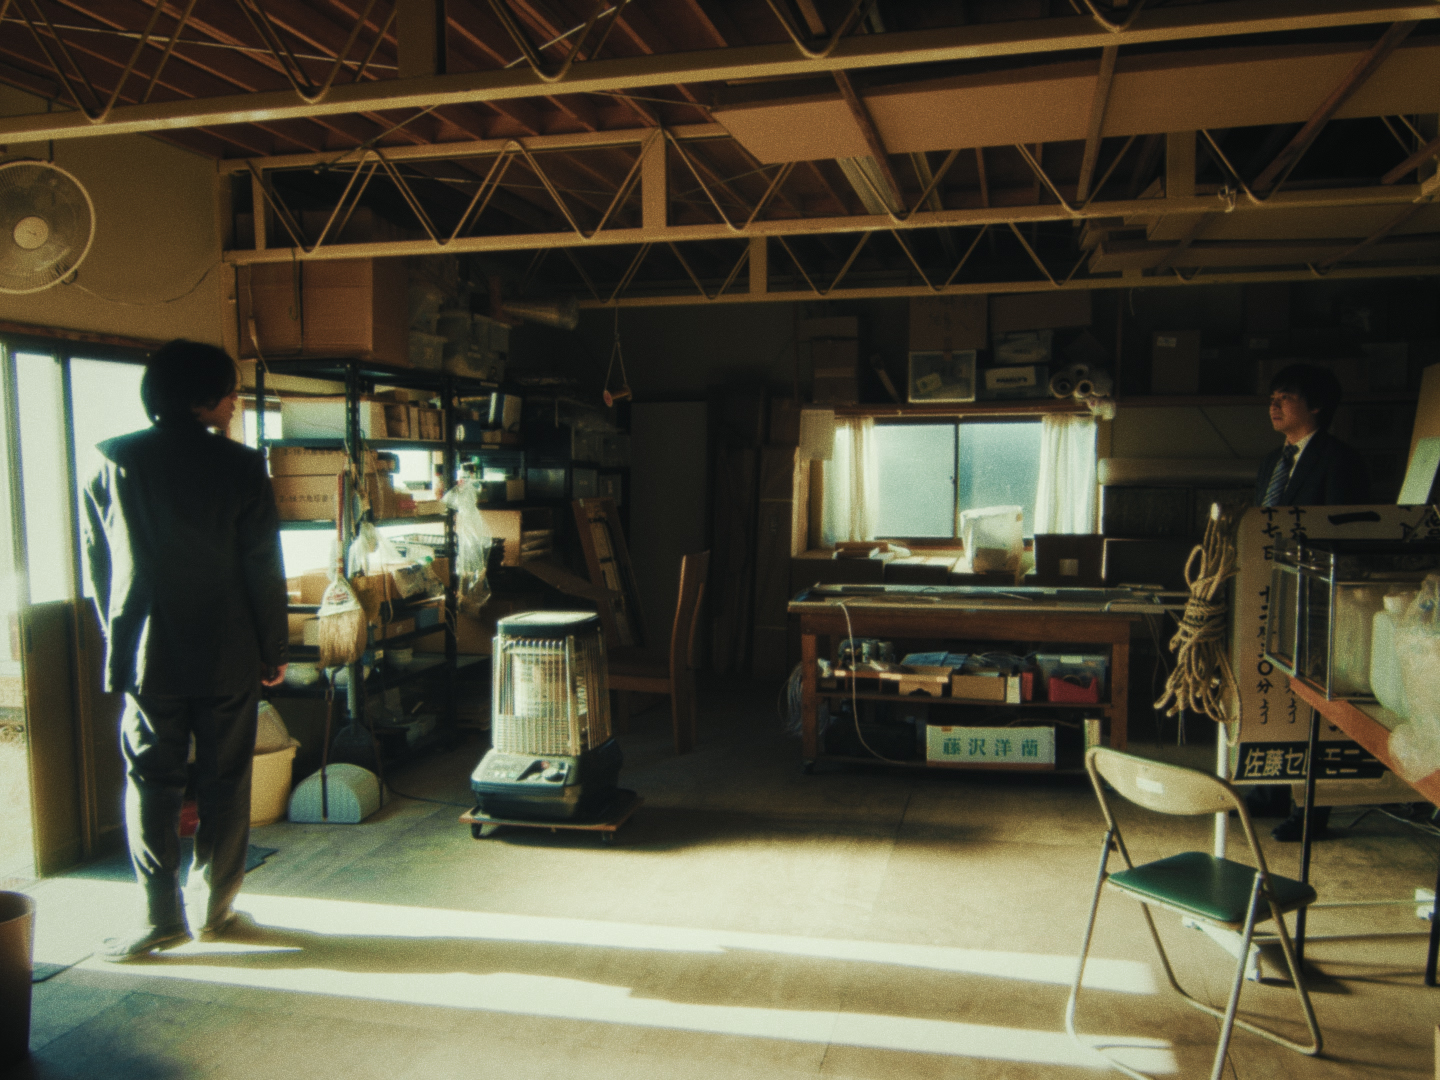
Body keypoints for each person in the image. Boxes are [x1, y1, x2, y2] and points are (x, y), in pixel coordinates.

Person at [83, 340, 288, 959]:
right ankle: (214, 911)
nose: (235, 402)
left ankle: (160, 918)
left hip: (148, 652)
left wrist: (119, 638)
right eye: (231, 392)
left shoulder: (111, 462)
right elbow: (262, 566)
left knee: (151, 782)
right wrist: (273, 648)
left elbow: (100, 566)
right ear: (204, 397)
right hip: (228, 648)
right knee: (226, 779)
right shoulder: (241, 466)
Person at [1254, 362, 1369, 841]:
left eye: (1286, 397)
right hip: (1274, 590)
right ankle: (1271, 790)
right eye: (1272, 397)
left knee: (1316, 702)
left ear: (1317, 405)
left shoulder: (1339, 459)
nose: (1274, 405)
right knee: (1277, 694)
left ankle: (1313, 811)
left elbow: (1345, 534)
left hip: (1320, 597)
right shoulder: (1273, 461)